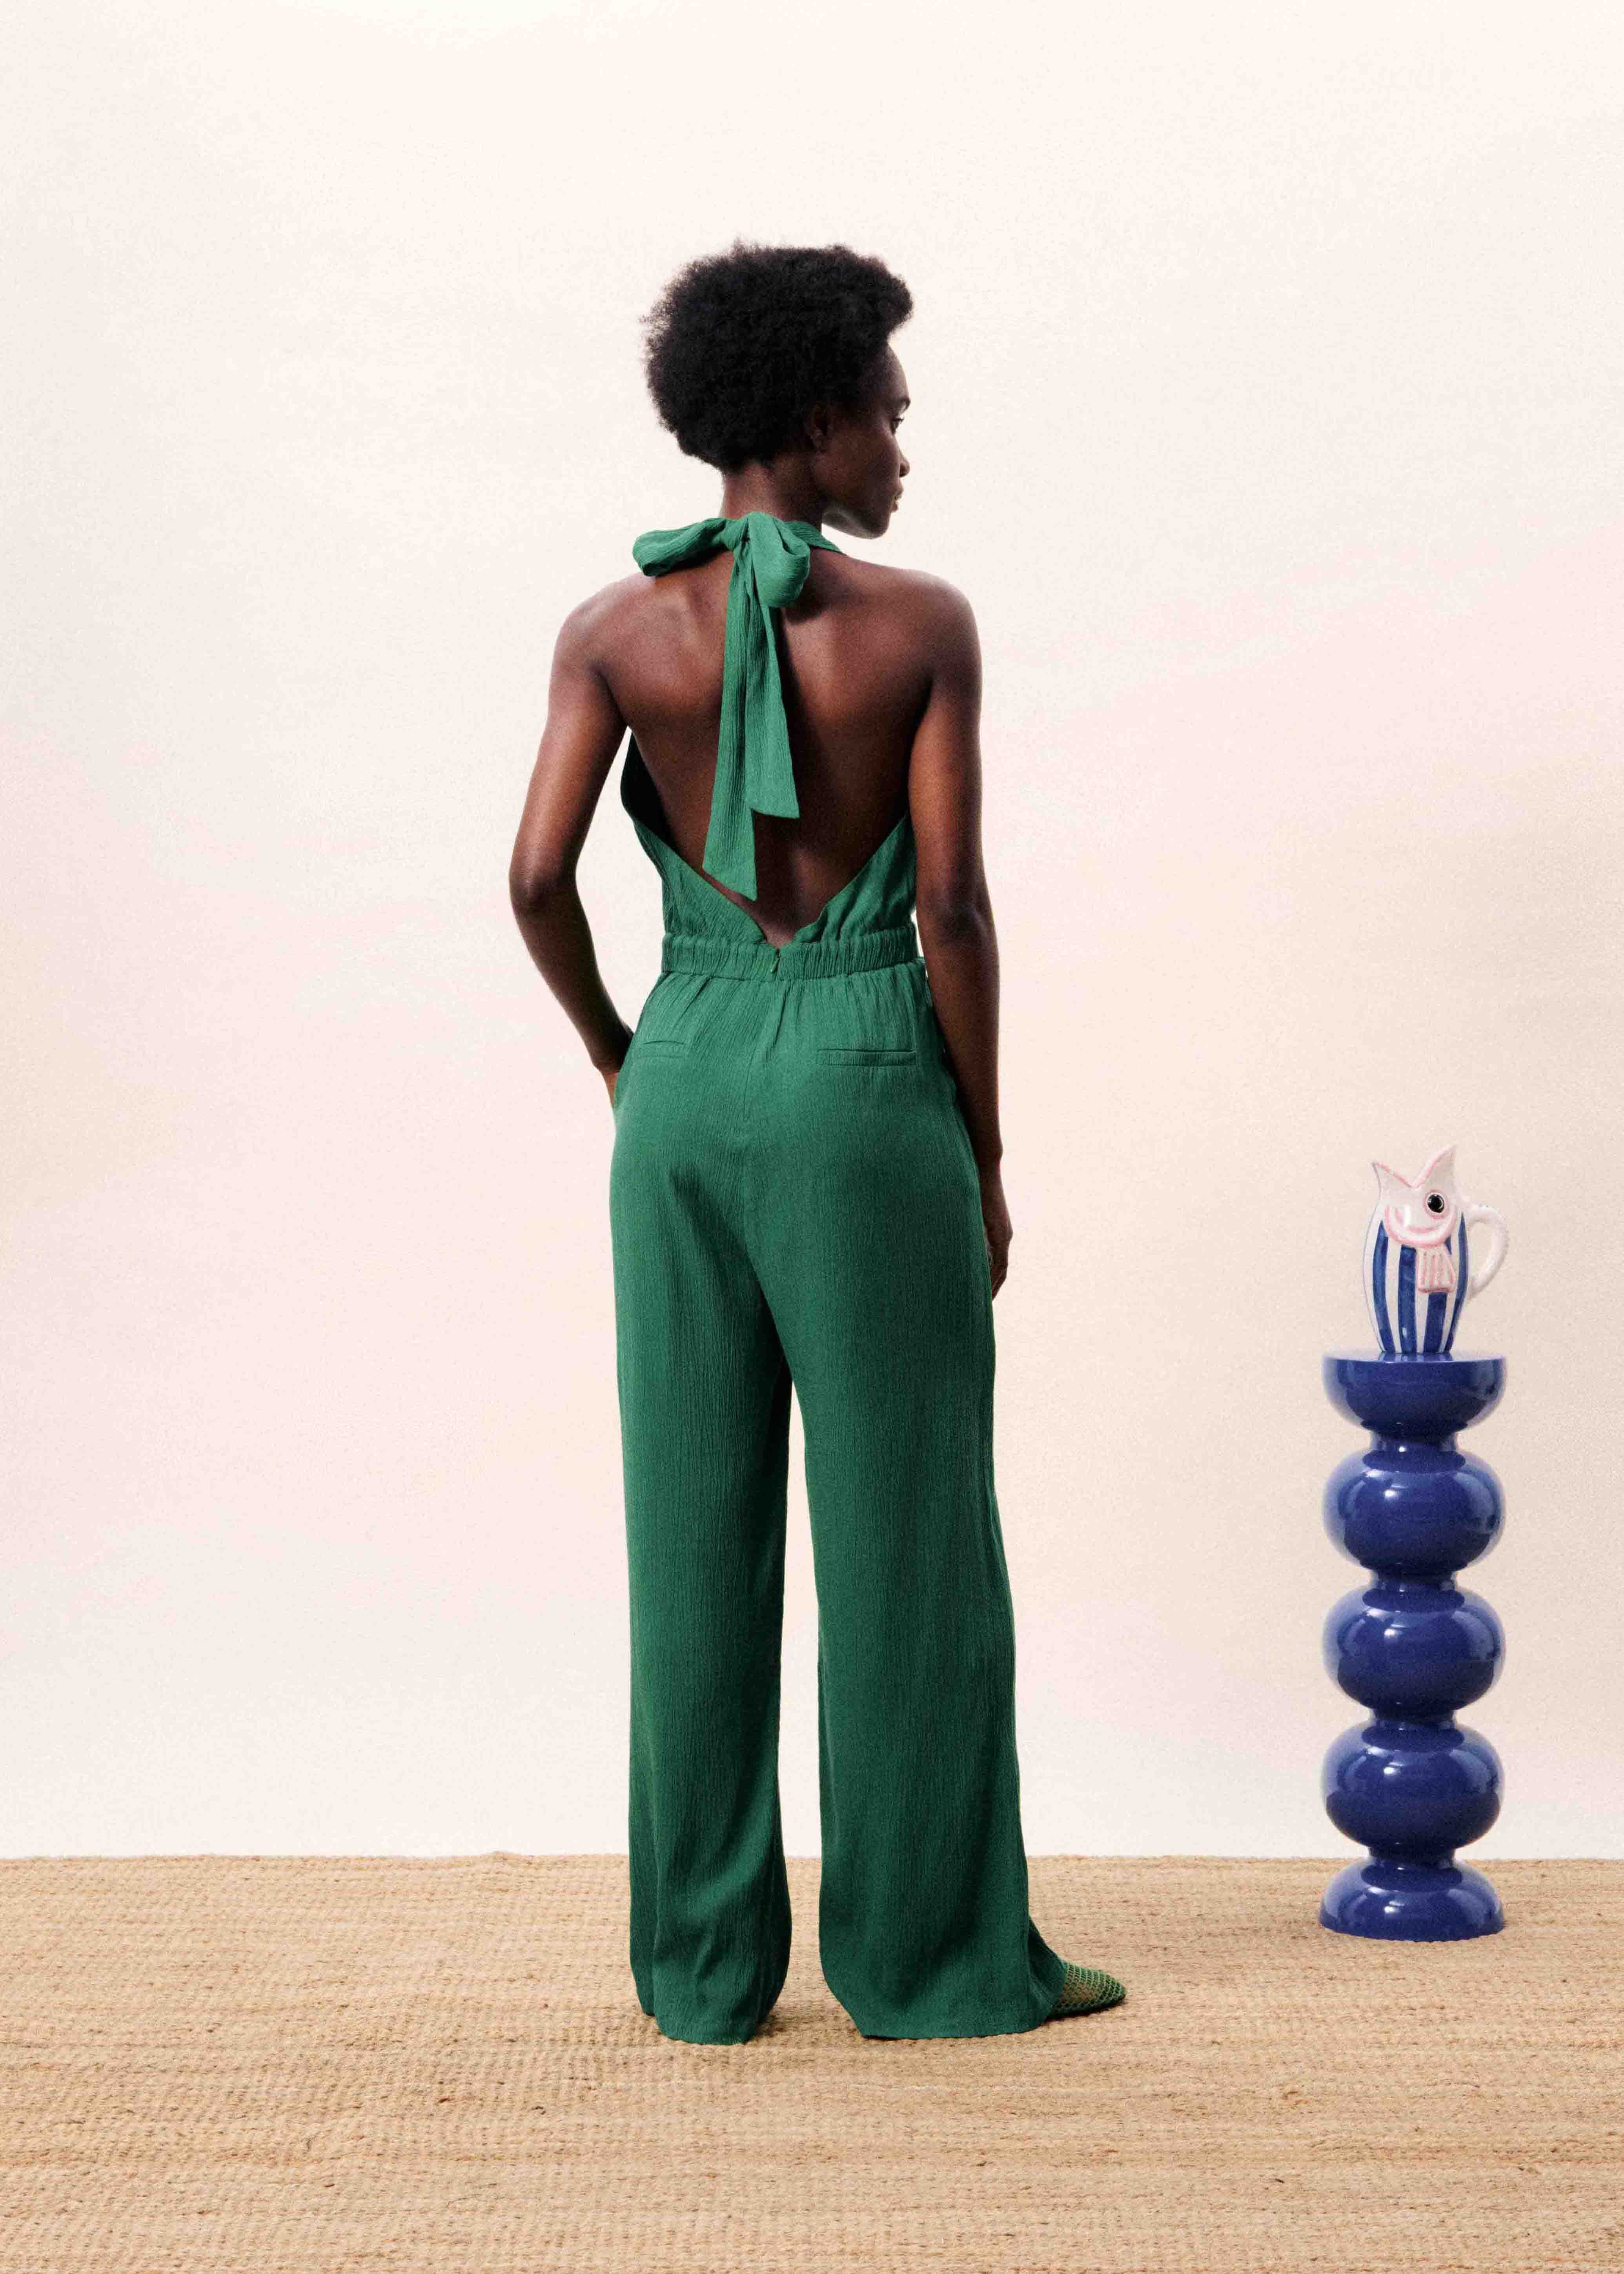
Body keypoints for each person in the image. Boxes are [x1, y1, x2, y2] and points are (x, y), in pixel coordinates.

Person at [509, 239, 1127, 2044]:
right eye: (888, 414)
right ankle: (929, 1962)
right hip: (865, 1081)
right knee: (907, 1529)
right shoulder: (921, 626)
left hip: (687, 1076)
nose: (905, 449)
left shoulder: (611, 633)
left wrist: (624, 1052)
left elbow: (537, 877)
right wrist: (982, 1150)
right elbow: (953, 909)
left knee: (690, 1531)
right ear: (812, 418)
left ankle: (702, 1972)